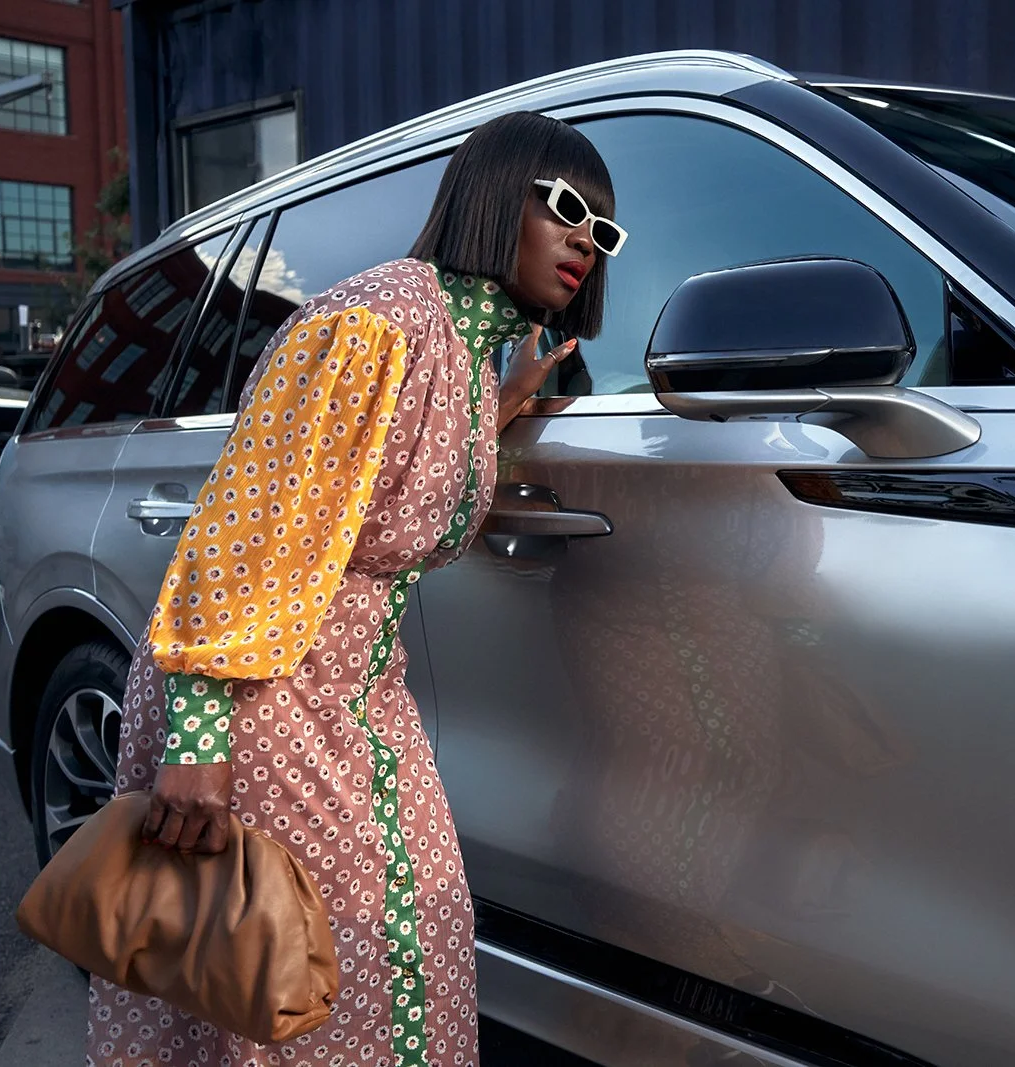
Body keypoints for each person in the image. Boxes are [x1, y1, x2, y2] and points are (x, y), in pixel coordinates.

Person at [86, 110, 626, 1067]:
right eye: (566, 208)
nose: (587, 240)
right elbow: (248, 529)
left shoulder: (460, 351)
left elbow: (395, 475)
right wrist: (198, 740)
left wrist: (506, 400)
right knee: (299, 987)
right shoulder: (373, 322)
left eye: (605, 229)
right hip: (262, 695)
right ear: (493, 192)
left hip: (357, 700)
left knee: (405, 950)